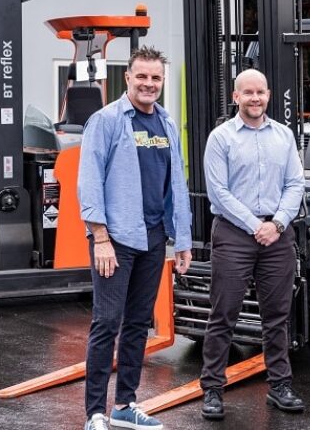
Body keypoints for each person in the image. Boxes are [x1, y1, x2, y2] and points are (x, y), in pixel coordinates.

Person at [78, 45, 192, 430]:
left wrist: (183, 240)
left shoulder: (166, 123)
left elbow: (176, 182)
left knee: (138, 322)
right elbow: (89, 181)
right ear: (127, 77)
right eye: (141, 76)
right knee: (107, 321)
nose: (149, 84)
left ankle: (124, 405)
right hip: (117, 238)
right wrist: (100, 237)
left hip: (154, 238)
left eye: (155, 78)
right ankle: (94, 412)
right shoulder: (106, 120)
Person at [199, 68, 305, 420]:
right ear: (236, 97)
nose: (255, 98)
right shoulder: (221, 138)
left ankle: (280, 386)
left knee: (276, 317)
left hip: (277, 233)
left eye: (260, 92)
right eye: (248, 93)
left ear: (269, 95)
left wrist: (276, 223)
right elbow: (218, 191)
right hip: (233, 233)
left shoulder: (284, 136)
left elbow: (295, 184)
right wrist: (254, 225)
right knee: (223, 314)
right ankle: (213, 389)